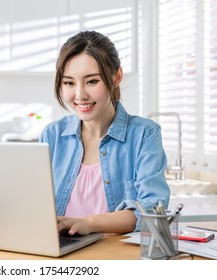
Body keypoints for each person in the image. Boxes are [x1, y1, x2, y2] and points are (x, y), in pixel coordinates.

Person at [39, 30, 170, 236]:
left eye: (92, 81)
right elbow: (34, 206)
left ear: (116, 76)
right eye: (69, 82)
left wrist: (88, 223)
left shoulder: (144, 135)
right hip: (61, 256)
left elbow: (153, 210)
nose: (80, 94)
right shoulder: (52, 136)